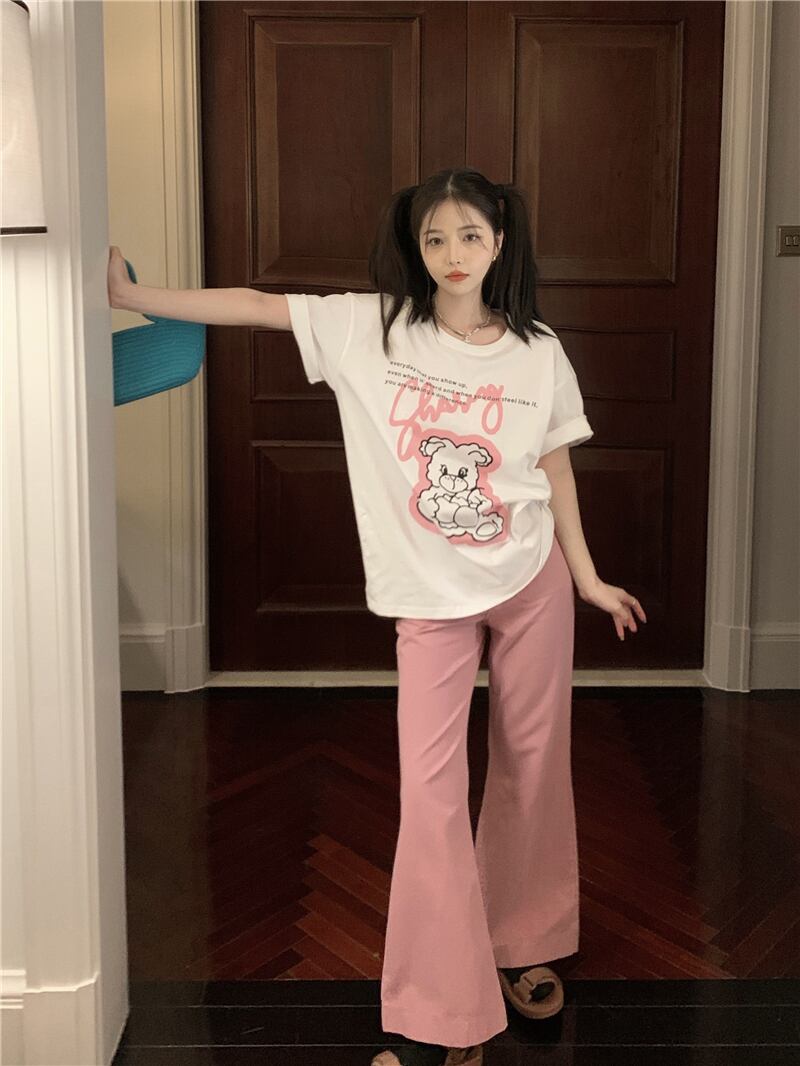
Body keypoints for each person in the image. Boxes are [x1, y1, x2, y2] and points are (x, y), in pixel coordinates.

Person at [107, 167, 646, 1066]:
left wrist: (586, 577)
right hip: (428, 601)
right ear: (415, 249)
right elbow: (257, 306)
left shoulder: (539, 350)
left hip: (531, 582)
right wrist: (132, 296)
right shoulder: (374, 327)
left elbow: (554, 466)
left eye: (469, 235)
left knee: (532, 765)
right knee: (430, 798)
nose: (453, 254)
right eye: (435, 238)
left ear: (500, 242)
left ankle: (524, 942)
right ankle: (441, 1017)